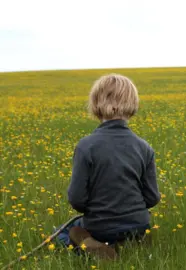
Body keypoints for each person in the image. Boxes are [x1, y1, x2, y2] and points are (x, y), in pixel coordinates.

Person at [56, 74, 160, 259]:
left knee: (62, 232)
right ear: (133, 104)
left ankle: (90, 245)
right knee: (129, 229)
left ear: (96, 104)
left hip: (100, 226)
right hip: (138, 224)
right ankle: (130, 242)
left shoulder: (86, 146)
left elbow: (77, 199)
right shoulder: (144, 147)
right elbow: (152, 198)